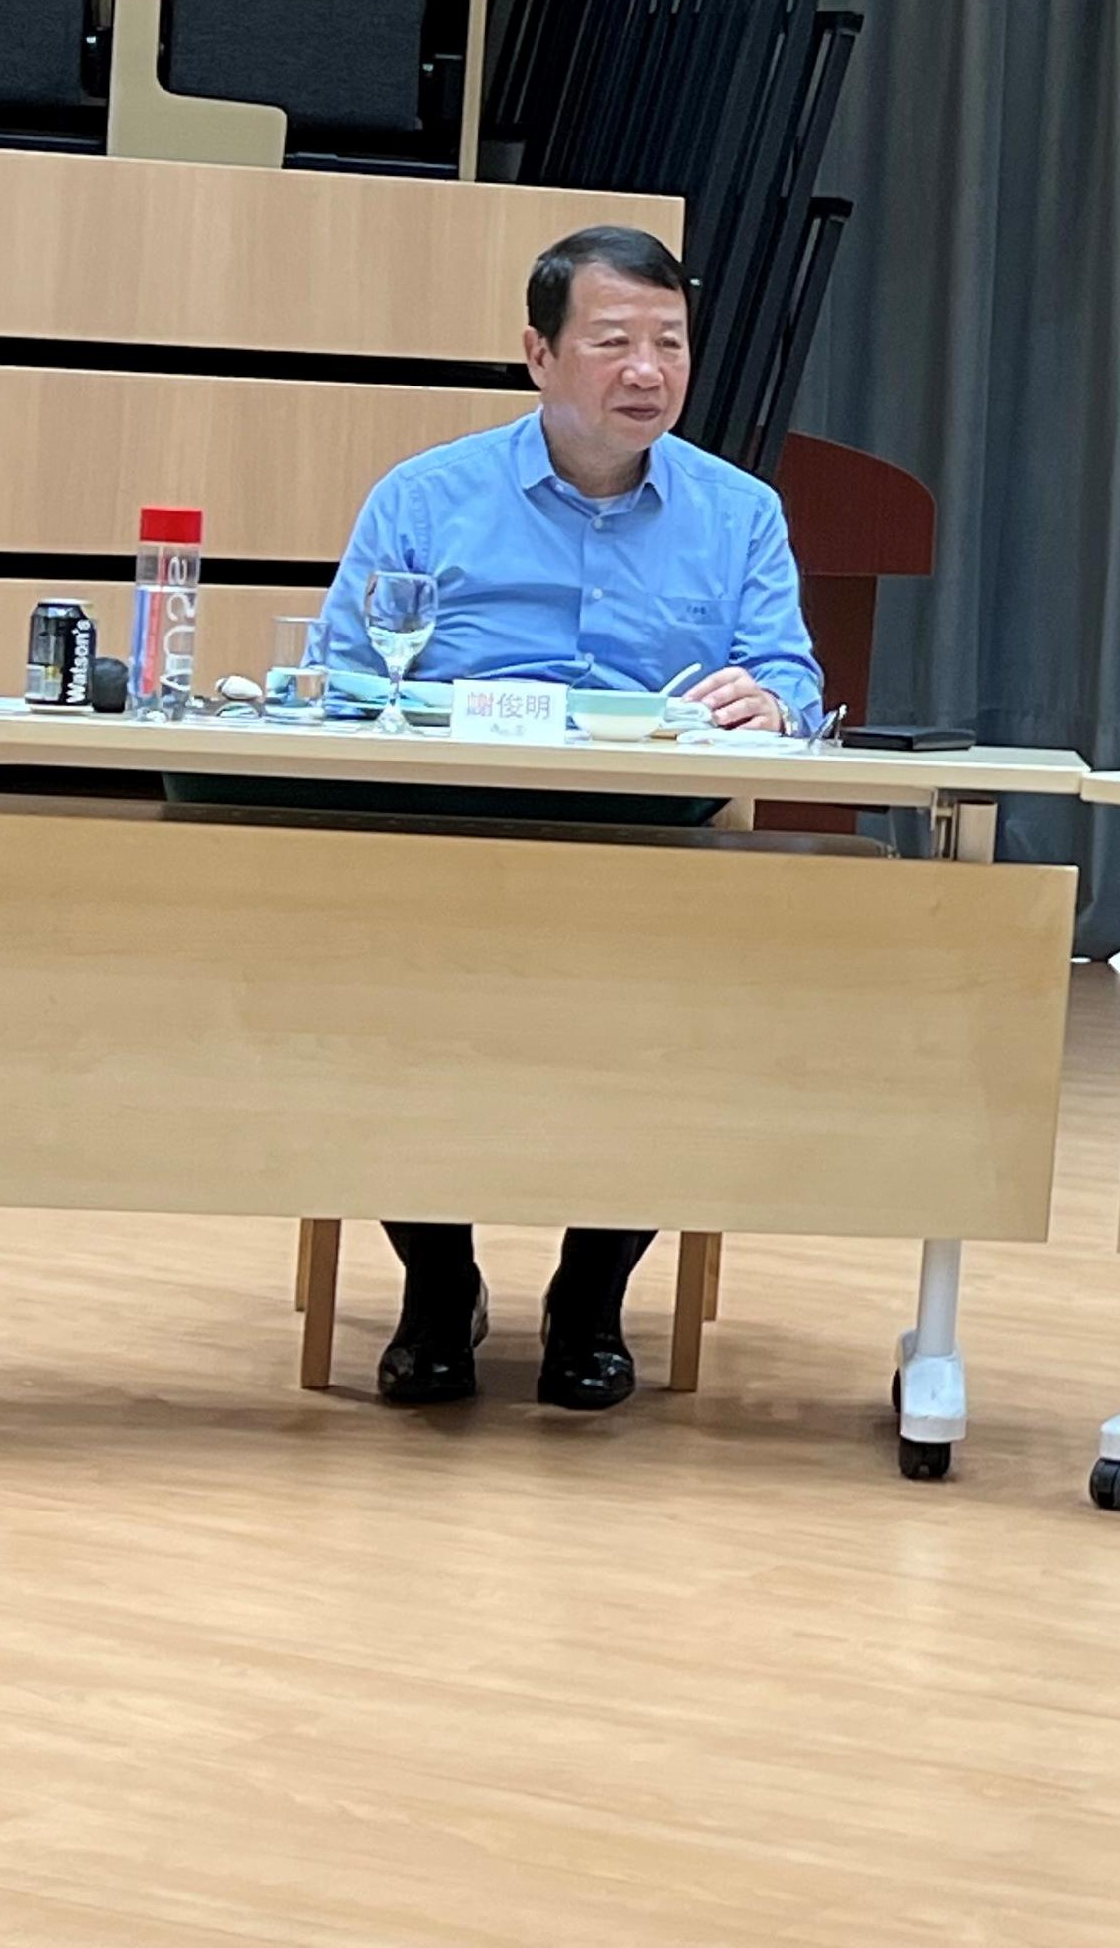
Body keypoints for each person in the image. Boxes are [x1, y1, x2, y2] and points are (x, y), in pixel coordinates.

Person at [315, 222, 824, 1412]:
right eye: (613, 343)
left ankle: (590, 1298)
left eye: (669, 343)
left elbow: (792, 683)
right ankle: (438, 1291)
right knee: (388, 1017)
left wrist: (769, 702)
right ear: (538, 355)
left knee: (681, 1039)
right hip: (453, 832)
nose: (647, 371)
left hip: (659, 842)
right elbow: (340, 681)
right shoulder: (427, 498)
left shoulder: (739, 512)